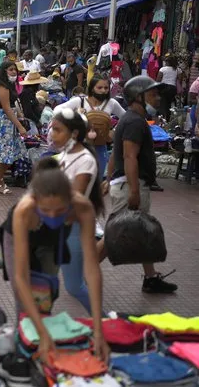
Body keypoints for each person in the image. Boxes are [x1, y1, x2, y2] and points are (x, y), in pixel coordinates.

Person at [0, 157, 109, 364]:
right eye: (46, 211)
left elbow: (92, 270)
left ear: (70, 200)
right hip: (17, 239)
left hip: (51, 242)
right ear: (36, 201)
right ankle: (25, 346)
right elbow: (21, 277)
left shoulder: (82, 208)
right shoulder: (24, 210)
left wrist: (98, 329)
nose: (52, 216)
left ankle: (43, 339)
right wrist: (41, 333)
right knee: (24, 301)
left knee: (45, 293)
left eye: (59, 211)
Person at [98, 76, 177, 294]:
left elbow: (116, 153)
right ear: (138, 97)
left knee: (139, 231)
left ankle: (151, 278)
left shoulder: (132, 119)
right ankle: (86, 271)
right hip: (129, 186)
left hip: (126, 183)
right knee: (115, 234)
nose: (157, 98)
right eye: (153, 94)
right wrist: (134, 190)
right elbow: (129, 157)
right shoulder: (134, 121)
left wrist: (108, 178)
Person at [50, 109, 105, 314]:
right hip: (57, 226)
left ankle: (104, 321)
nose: (52, 135)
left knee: (74, 286)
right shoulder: (63, 155)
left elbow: (73, 198)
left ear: (73, 133)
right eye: (52, 129)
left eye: (57, 130)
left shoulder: (85, 160)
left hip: (72, 228)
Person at [55, 76, 125, 179]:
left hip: (100, 147)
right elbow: (57, 110)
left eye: (106, 88)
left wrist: (115, 131)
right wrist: (75, 115)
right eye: (99, 87)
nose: (103, 91)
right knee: (79, 180)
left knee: (98, 179)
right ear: (92, 88)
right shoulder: (80, 101)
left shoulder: (112, 103)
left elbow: (126, 117)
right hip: (80, 146)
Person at [0, 61, 28, 194]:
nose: (13, 72)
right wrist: (20, 126)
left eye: (15, 70)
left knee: (11, 154)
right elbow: (6, 108)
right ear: (4, 71)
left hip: (9, 122)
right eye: (10, 70)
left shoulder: (9, 86)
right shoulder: (2, 87)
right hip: (4, 123)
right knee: (5, 154)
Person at [156, 55, 180, 121]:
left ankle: (163, 119)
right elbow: (179, 79)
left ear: (167, 62)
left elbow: (158, 80)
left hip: (164, 88)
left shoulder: (162, 69)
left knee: (163, 104)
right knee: (169, 104)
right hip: (173, 88)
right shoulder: (177, 69)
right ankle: (168, 118)